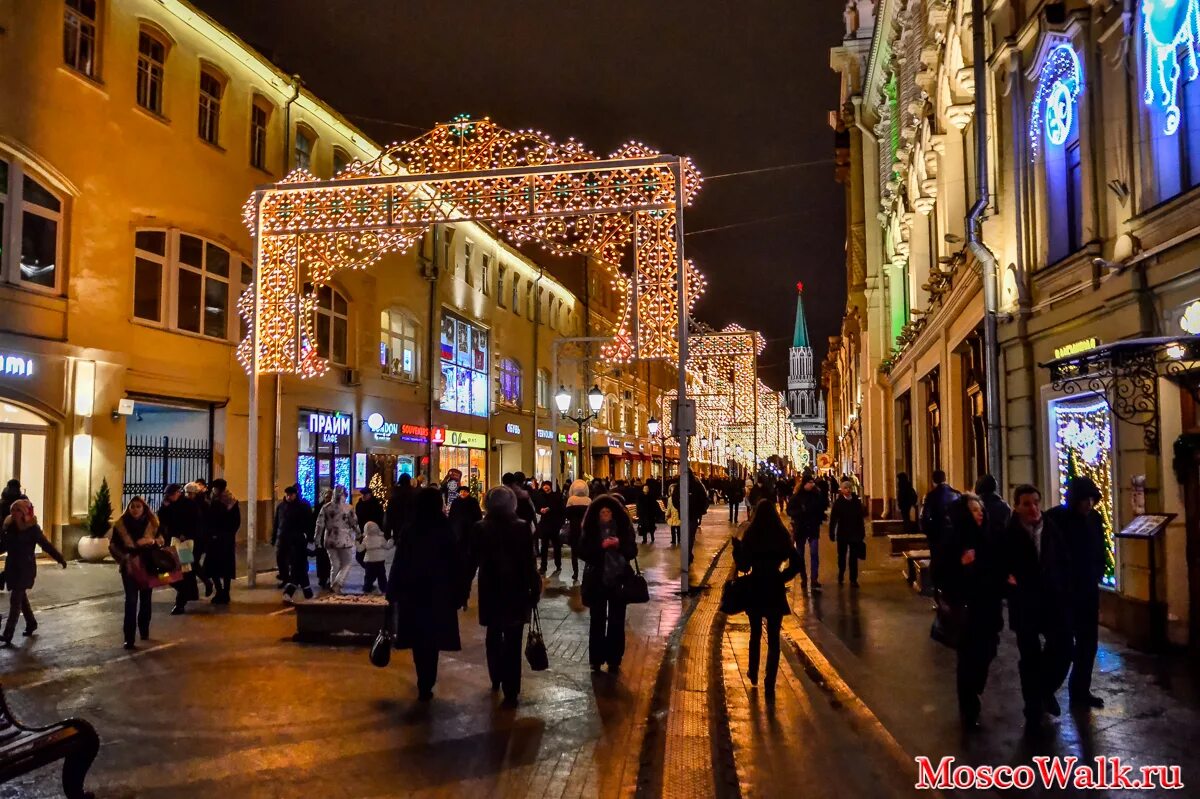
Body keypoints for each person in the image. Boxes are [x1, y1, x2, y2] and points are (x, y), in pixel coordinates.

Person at [1001, 484, 1073, 728]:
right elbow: (999, 564)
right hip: (1025, 604)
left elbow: (1063, 559)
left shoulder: (1051, 528)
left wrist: (1063, 586)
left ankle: (1044, 690)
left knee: (1064, 648)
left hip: (1053, 601)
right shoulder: (1009, 533)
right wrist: (1009, 582)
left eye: (1035, 502)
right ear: (1016, 507)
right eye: (1026, 504)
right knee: (1029, 656)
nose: (1033, 508)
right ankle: (1033, 706)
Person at [466, 487, 543, 707]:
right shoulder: (521, 528)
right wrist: (534, 587)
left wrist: (462, 590)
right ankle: (512, 688)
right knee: (513, 639)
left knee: (493, 634)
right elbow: (529, 562)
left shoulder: (480, 528)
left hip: (491, 588)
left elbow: (471, 560)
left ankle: (495, 676)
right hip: (516, 589)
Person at [387, 487, 465, 701]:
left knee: (418, 639)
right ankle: (428, 680)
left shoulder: (410, 529)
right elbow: (455, 564)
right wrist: (459, 593)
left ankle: (423, 679)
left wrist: (392, 591)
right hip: (439, 593)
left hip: (413, 593)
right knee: (432, 641)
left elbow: (400, 563)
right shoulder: (445, 529)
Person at [943, 493, 1005, 728]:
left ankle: (974, 689)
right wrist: (960, 565)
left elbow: (998, 564)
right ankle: (969, 708)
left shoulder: (990, 535)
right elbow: (941, 572)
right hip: (966, 611)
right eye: (973, 510)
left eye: (980, 509)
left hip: (989, 608)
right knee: (968, 658)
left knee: (988, 651)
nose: (979, 513)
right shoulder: (954, 538)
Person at [1045, 476, 1107, 710]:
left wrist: (1097, 572)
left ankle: (1080, 690)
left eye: (1091, 499)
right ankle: (1047, 689)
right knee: (1061, 646)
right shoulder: (1056, 518)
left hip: (1088, 591)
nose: (1088, 504)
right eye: (1084, 499)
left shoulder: (1095, 519)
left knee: (1088, 643)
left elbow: (1099, 549)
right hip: (1064, 593)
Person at [732, 499, 801, 696]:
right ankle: (770, 681)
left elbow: (744, 566)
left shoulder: (751, 534)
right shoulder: (781, 534)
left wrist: (737, 549)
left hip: (755, 586)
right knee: (773, 637)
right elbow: (796, 562)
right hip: (774, 587)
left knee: (755, 633)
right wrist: (782, 577)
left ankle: (753, 672)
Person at [578, 495, 639, 673]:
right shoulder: (590, 529)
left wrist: (618, 544)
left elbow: (632, 551)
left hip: (619, 579)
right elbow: (583, 551)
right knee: (597, 620)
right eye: (602, 512)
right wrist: (600, 547)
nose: (605, 514)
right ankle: (595, 659)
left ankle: (614, 658)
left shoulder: (623, 529)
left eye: (608, 511)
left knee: (616, 620)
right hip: (597, 579)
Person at [0, 499, 67, 644]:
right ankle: (31, 623)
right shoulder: (9, 527)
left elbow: (46, 545)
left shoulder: (32, 529)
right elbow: (3, 546)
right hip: (12, 567)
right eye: (12, 510)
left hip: (25, 568)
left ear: (24, 512)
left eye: (17, 510)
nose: (13, 513)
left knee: (15, 600)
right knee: (21, 599)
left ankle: (8, 634)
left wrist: (59, 558)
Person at [109, 497, 164, 649]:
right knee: (131, 600)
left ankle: (144, 629)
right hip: (130, 566)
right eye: (132, 506)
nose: (135, 509)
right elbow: (113, 545)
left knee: (146, 599)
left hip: (148, 564)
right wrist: (123, 558)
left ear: (144, 508)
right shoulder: (121, 524)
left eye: (138, 506)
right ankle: (129, 637)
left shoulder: (153, 523)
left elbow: (161, 540)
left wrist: (150, 541)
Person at [158, 483, 201, 614]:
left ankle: (181, 602)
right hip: (173, 541)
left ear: (178, 492)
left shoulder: (189, 504)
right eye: (168, 496)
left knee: (185, 570)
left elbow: (196, 522)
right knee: (166, 572)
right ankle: (187, 592)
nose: (170, 498)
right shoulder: (169, 505)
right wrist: (164, 507)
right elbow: (162, 520)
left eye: (171, 495)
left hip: (186, 543)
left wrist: (186, 533)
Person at [786, 476, 828, 591]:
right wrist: (800, 512)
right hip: (801, 528)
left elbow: (821, 508)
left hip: (813, 528)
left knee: (814, 553)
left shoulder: (816, 495)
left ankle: (814, 579)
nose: (812, 484)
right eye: (809, 482)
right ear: (804, 483)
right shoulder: (796, 497)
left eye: (812, 482)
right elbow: (789, 510)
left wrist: (820, 517)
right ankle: (803, 577)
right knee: (800, 555)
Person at [920, 470, 960, 585]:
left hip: (937, 535)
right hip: (953, 535)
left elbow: (924, 518)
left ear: (933, 480)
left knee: (937, 562)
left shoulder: (931, 496)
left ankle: (938, 587)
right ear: (945, 478)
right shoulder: (956, 494)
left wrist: (929, 533)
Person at [275, 485, 314, 602]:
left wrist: (309, 537)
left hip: (298, 541)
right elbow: (277, 522)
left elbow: (309, 523)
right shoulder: (282, 507)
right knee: (299, 568)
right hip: (287, 541)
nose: (289, 497)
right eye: (287, 494)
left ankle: (305, 593)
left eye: (291, 494)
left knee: (299, 567)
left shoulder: (303, 506)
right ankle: (305, 593)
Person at [316, 486, 358, 594]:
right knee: (347, 563)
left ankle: (332, 587)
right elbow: (354, 523)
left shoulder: (325, 507)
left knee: (334, 564)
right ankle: (337, 583)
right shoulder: (348, 508)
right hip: (344, 539)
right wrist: (359, 533)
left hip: (329, 538)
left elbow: (319, 524)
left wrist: (317, 538)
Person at [205, 478, 240, 605]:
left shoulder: (225, 501)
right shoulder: (217, 500)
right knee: (216, 567)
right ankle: (221, 591)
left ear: (219, 489)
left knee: (221, 567)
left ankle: (224, 593)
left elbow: (235, 521)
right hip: (220, 539)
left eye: (214, 488)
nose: (213, 490)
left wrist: (222, 534)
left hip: (222, 540)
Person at [828, 480, 866, 586]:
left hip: (854, 533)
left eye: (849, 488)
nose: (848, 490)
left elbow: (860, 518)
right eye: (845, 488)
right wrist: (831, 532)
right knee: (842, 556)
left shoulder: (856, 502)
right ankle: (841, 573)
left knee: (853, 557)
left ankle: (853, 579)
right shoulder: (838, 503)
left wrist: (862, 532)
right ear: (842, 490)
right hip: (842, 534)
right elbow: (833, 519)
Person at [184, 482, 214, 597]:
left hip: (198, 540)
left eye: (190, 493)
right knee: (187, 564)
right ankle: (192, 592)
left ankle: (207, 582)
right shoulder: (187, 504)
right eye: (186, 493)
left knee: (193, 563)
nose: (187, 495)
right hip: (186, 540)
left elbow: (205, 522)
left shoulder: (203, 504)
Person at [535, 480, 567, 574]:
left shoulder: (557, 496)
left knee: (556, 545)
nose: (546, 488)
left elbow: (561, 510)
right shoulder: (539, 496)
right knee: (544, 547)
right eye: (544, 486)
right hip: (544, 525)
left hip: (554, 525)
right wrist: (540, 510)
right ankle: (543, 566)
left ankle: (558, 564)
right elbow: (537, 507)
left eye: (548, 486)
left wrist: (550, 509)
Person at [564, 479, 591, 581]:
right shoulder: (588, 500)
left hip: (574, 528)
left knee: (574, 552)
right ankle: (586, 571)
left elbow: (567, 515)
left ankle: (575, 572)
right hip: (585, 529)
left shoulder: (571, 500)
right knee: (586, 551)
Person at [357, 520, 393, 593]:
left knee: (368, 577)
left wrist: (357, 543)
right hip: (380, 560)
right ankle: (384, 589)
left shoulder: (365, 539)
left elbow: (360, 549)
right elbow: (387, 546)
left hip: (369, 561)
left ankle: (366, 589)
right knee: (382, 576)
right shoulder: (381, 539)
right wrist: (391, 540)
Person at [448, 484, 483, 560]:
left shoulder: (473, 501)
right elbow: (452, 514)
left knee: (468, 544)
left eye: (464, 491)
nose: (462, 493)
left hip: (470, 527)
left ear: (468, 493)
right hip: (458, 528)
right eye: (461, 492)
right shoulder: (456, 501)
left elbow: (477, 514)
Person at [312, 487, 333, 590]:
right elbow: (315, 523)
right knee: (321, 559)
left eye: (329, 497)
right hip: (321, 538)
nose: (327, 499)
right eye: (326, 496)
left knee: (330, 560)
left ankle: (330, 577)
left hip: (332, 538)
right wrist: (315, 537)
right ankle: (322, 578)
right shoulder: (319, 508)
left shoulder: (334, 508)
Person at [386, 474, 416, 541]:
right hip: (412, 527)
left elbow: (389, 514)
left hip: (398, 527)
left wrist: (387, 531)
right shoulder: (414, 494)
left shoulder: (395, 495)